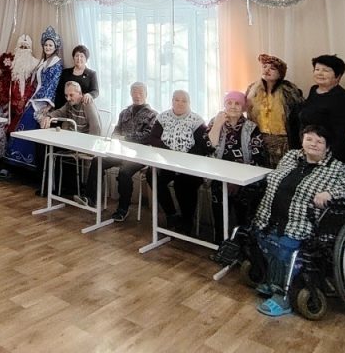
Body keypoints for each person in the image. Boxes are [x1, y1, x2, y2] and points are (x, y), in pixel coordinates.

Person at [249, 124, 345, 317]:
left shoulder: (337, 169)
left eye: (319, 141)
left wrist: (331, 194)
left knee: (284, 247)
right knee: (262, 239)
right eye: (309, 139)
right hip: (270, 217)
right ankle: (273, 280)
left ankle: (283, 297)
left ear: (327, 147)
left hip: (302, 224)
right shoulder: (291, 157)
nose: (313, 144)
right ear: (302, 140)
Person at [207, 90, 268, 240]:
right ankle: (220, 242)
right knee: (219, 208)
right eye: (229, 103)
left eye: (237, 103)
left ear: (243, 107)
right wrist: (217, 125)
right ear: (224, 105)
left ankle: (241, 244)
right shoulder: (215, 121)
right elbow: (208, 147)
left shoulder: (251, 127)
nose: (233, 106)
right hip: (219, 177)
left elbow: (258, 157)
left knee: (244, 212)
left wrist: (237, 180)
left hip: (244, 179)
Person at [146, 89, 207, 234]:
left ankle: (187, 221)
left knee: (183, 183)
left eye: (184, 101)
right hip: (167, 161)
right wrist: (168, 153)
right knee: (152, 175)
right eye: (176, 100)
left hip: (190, 164)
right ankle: (171, 214)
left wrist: (183, 159)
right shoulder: (163, 117)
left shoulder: (197, 121)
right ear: (172, 101)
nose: (180, 103)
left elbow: (202, 146)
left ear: (189, 103)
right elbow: (153, 138)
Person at [7, 27, 62, 169]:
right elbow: (36, 82)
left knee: (28, 126)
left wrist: (47, 105)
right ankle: (19, 162)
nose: (48, 47)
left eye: (50, 45)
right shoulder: (43, 62)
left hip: (44, 102)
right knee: (24, 127)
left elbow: (53, 85)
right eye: (46, 45)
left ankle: (27, 164)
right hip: (35, 99)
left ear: (55, 47)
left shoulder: (57, 63)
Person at [39, 81, 101, 205]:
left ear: (80, 93)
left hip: (85, 145)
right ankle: (52, 188)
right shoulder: (69, 104)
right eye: (66, 95)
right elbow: (59, 112)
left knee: (53, 152)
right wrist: (48, 116)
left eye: (71, 95)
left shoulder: (87, 103)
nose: (68, 98)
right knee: (47, 149)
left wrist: (91, 148)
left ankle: (61, 189)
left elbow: (96, 128)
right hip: (72, 143)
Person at [107, 82, 158, 222]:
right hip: (120, 152)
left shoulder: (152, 115)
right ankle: (90, 199)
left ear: (146, 94)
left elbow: (148, 136)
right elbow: (116, 131)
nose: (137, 95)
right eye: (134, 92)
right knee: (98, 160)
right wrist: (115, 137)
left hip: (140, 155)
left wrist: (126, 138)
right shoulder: (124, 112)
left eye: (140, 93)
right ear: (130, 94)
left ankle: (123, 209)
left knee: (124, 172)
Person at [297, 54, 345, 168]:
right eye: (317, 69)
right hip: (311, 152)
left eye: (325, 70)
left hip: (332, 157)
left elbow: (343, 135)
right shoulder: (314, 90)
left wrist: (328, 160)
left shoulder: (342, 98)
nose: (320, 73)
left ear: (338, 76)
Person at [245, 54, 303, 168]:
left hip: (283, 142)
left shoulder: (289, 91)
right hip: (258, 139)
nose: (267, 70)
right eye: (265, 67)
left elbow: (297, 118)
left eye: (272, 68)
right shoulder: (253, 89)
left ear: (280, 74)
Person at [54, 44, 99, 110]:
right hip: (65, 108)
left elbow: (96, 91)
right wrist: (58, 109)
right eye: (77, 56)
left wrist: (90, 94)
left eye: (82, 56)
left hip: (82, 108)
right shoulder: (65, 72)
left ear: (86, 59)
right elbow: (59, 92)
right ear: (73, 58)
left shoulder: (91, 74)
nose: (79, 58)